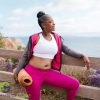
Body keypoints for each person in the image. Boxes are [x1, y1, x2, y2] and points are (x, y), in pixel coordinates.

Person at [13, 11, 90, 100]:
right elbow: (25, 56)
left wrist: (82, 55)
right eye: (50, 22)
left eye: (53, 21)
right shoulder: (35, 38)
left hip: (48, 72)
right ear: (43, 25)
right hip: (32, 73)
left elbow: (67, 50)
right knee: (34, 98)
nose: (54, 23)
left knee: (74, 84)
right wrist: (17, 71)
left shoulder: (56, 38)